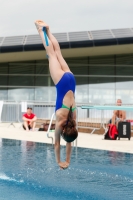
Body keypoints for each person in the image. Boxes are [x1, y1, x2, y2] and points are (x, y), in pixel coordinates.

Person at [35, 20, 78, 169]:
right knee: (51, 54)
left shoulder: (73, 120)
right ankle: (41, 30)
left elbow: (69, 142)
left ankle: (49, 30)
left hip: (71, 81)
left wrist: (68, 161)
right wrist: (59, 162)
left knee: (58, 53)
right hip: (61, 82)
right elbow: (57, 143)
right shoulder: (60, 123)